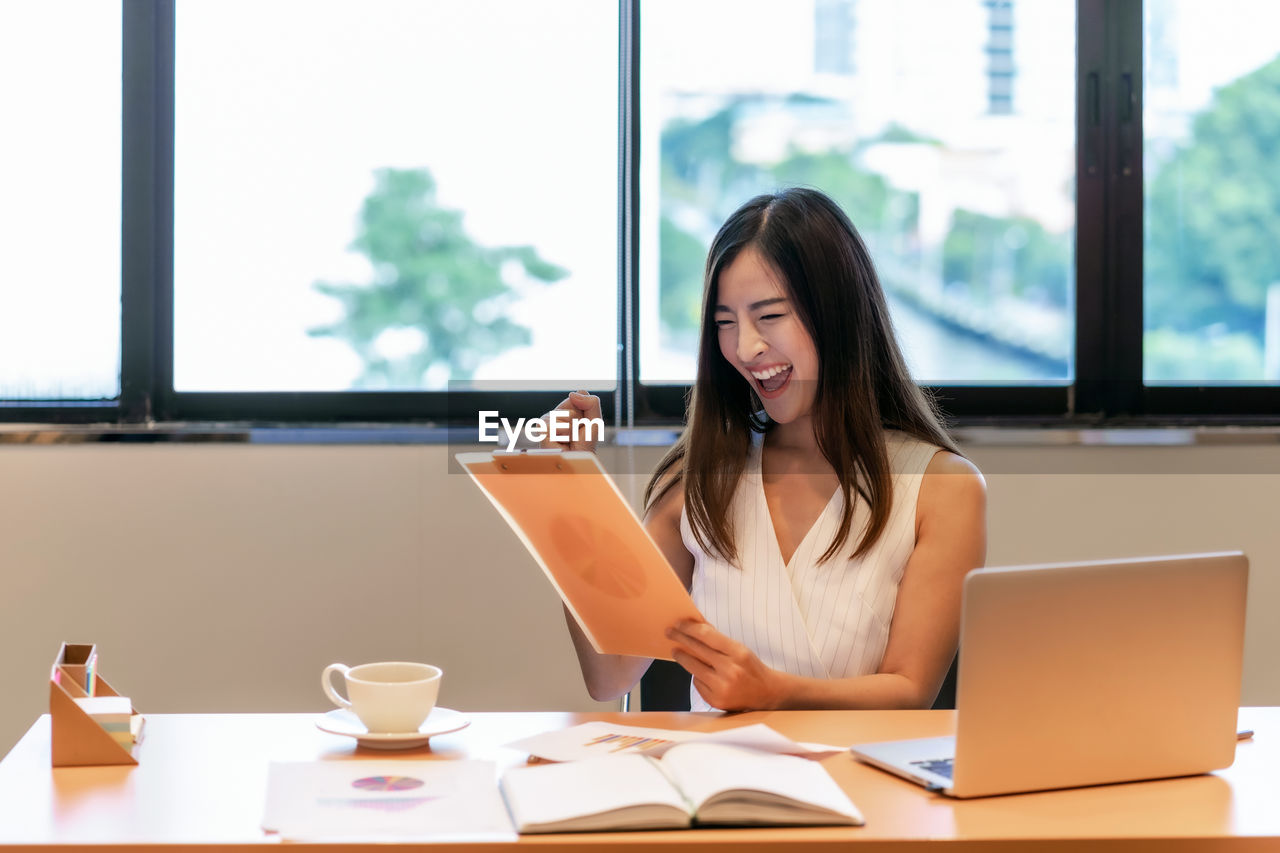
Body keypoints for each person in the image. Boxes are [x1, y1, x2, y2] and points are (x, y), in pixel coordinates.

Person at [547, 187, 986, 711]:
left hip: (859, 787)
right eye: (724, 323)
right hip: (714, 780)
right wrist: (569, 488)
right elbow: (608, 673)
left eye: (770, 316)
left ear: (839, 313)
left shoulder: (944, 489)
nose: (744, 348)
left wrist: (775, 693)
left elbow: (909, 691)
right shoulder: (699, 480)